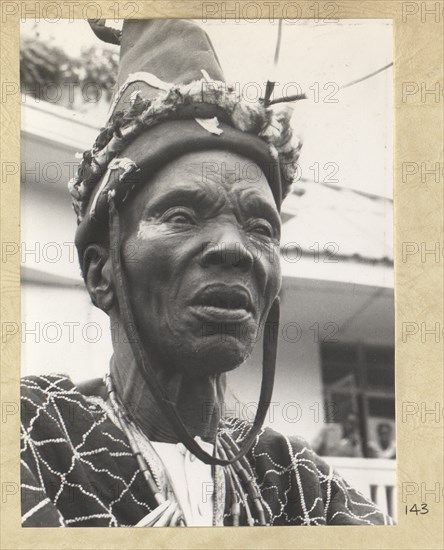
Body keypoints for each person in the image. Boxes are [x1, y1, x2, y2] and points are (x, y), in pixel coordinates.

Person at [20, 19, 392, 527]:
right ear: (102, 272)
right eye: (181, 216)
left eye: (260, 226)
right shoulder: (32, 434)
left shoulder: (301, 484)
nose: (233, 248)